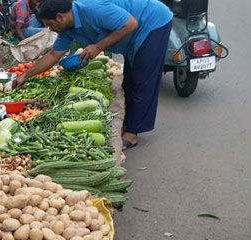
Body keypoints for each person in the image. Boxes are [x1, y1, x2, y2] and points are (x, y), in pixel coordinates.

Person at [14, 0, 173, 149]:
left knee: (143, 80)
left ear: (60, 17)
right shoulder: (67, 30)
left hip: (152, 22)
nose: (50, 29)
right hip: (133, 35)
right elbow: (53, 55)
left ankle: (132, 133)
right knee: (129, 82)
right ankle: (128, 123)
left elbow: (130, 24)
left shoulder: (92, 8)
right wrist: (25, 76)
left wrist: (98, 47)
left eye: (50, 24)